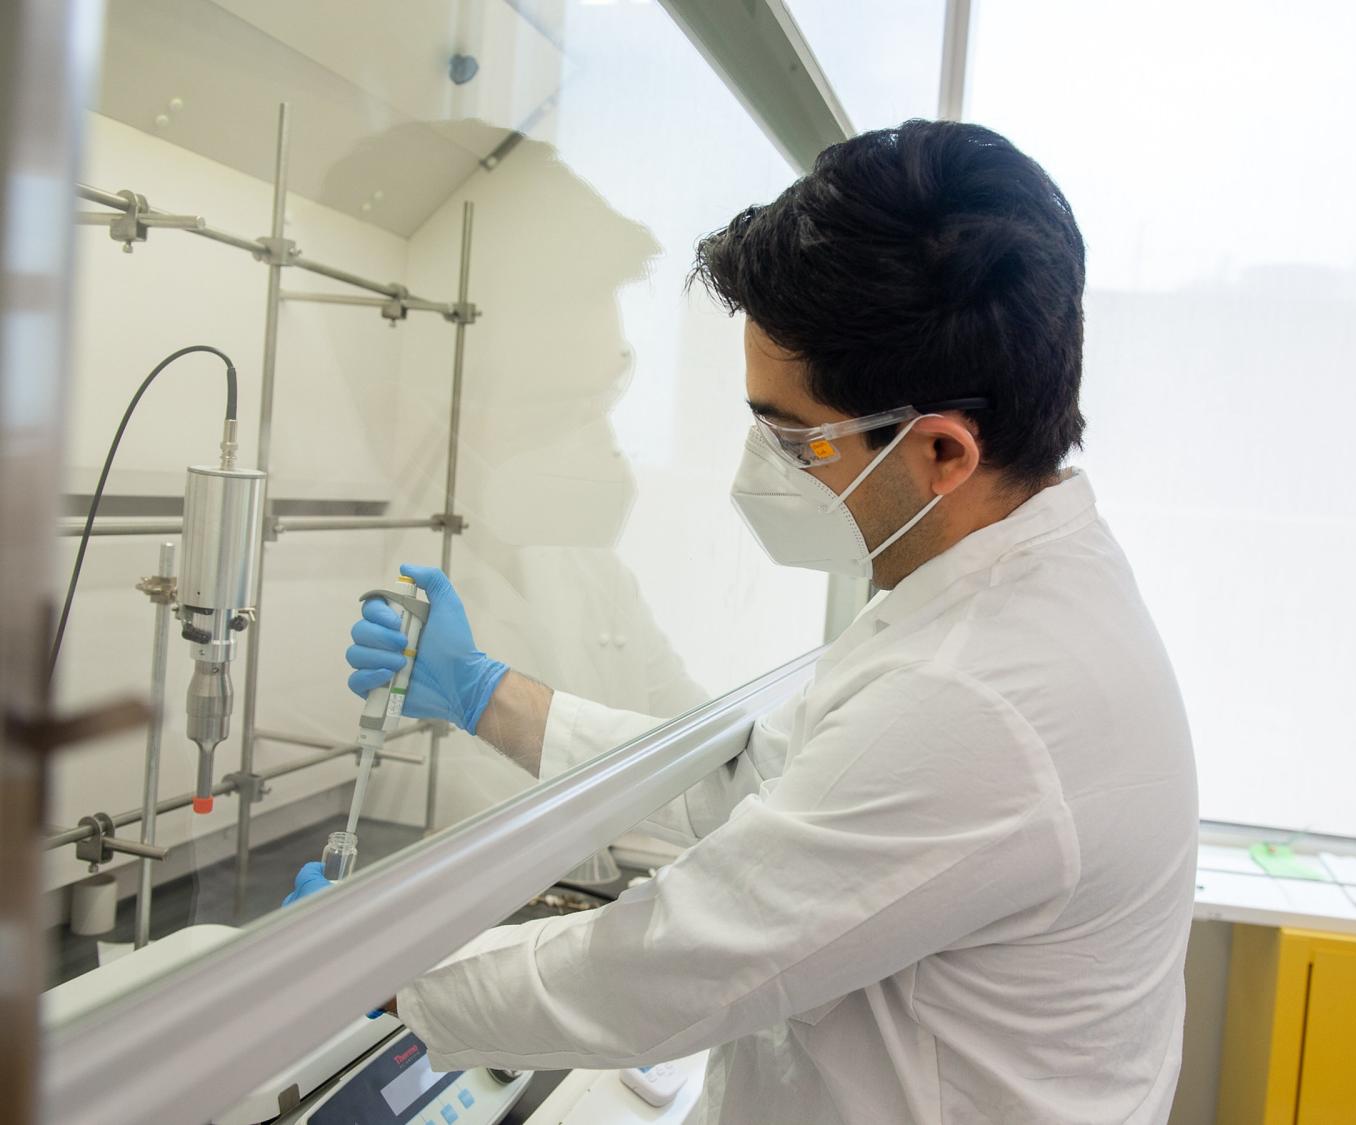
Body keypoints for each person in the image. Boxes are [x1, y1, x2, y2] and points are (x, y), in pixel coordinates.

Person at [310, 120, 1199, 1124]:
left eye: (794, 437)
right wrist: (486, 694)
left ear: (942, 453)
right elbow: (748, 790)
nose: (763, 465)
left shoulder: (978, 689)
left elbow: (679, 967)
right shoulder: (984, 591)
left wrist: (386, 978)